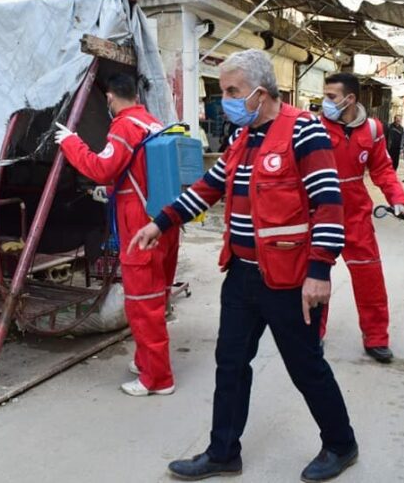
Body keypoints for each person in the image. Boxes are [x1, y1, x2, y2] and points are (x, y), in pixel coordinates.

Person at [129, 50, 357, 482]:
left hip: (290, 279)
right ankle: (222, 453)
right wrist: (161, 222)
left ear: (260, 91)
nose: (226, 100)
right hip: (242, 274)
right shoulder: (241, 137)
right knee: (230, 363)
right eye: (223, 91)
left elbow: (329, 203)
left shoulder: (304, 131)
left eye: (233, 91)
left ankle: (341, 444)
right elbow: (208, 187)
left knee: (305, 366)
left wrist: (320, 271)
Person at [54, 73, 181, 396]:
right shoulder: (151, 122)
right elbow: (137, 174)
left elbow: (102, 168)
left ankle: (158, 379)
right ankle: (146, 361)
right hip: (164, 224)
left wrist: (71, 142)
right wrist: (112, 192)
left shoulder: (124, 127)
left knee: (142, 304)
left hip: (141, 230)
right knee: (155, 299)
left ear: (110, 97)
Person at [319, 73, 404, 363]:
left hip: (356, 213)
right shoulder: (314, 127)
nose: (325, 102)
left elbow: (382, 168)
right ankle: (312, 334)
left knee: (369, 277)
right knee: (315, 276)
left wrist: (397, 198)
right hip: (320, 212)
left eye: (330, 96)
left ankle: (376, 338)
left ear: (350, 99)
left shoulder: (372, 129)